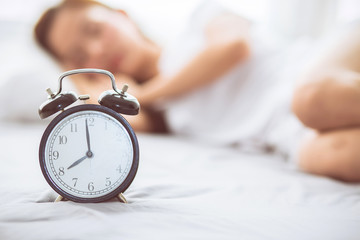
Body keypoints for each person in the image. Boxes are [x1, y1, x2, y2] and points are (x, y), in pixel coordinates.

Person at [34, 0, 360, 182]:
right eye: (79, 56)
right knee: (335, 156)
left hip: (314, 70)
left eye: (94, 29)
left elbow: (234, 48)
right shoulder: (161, 113)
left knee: (312, 100)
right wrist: (86, 84)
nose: (96, 49)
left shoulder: (200, 19)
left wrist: (143, 95)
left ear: (121, 15)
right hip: (282, 132)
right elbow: (106, 122)